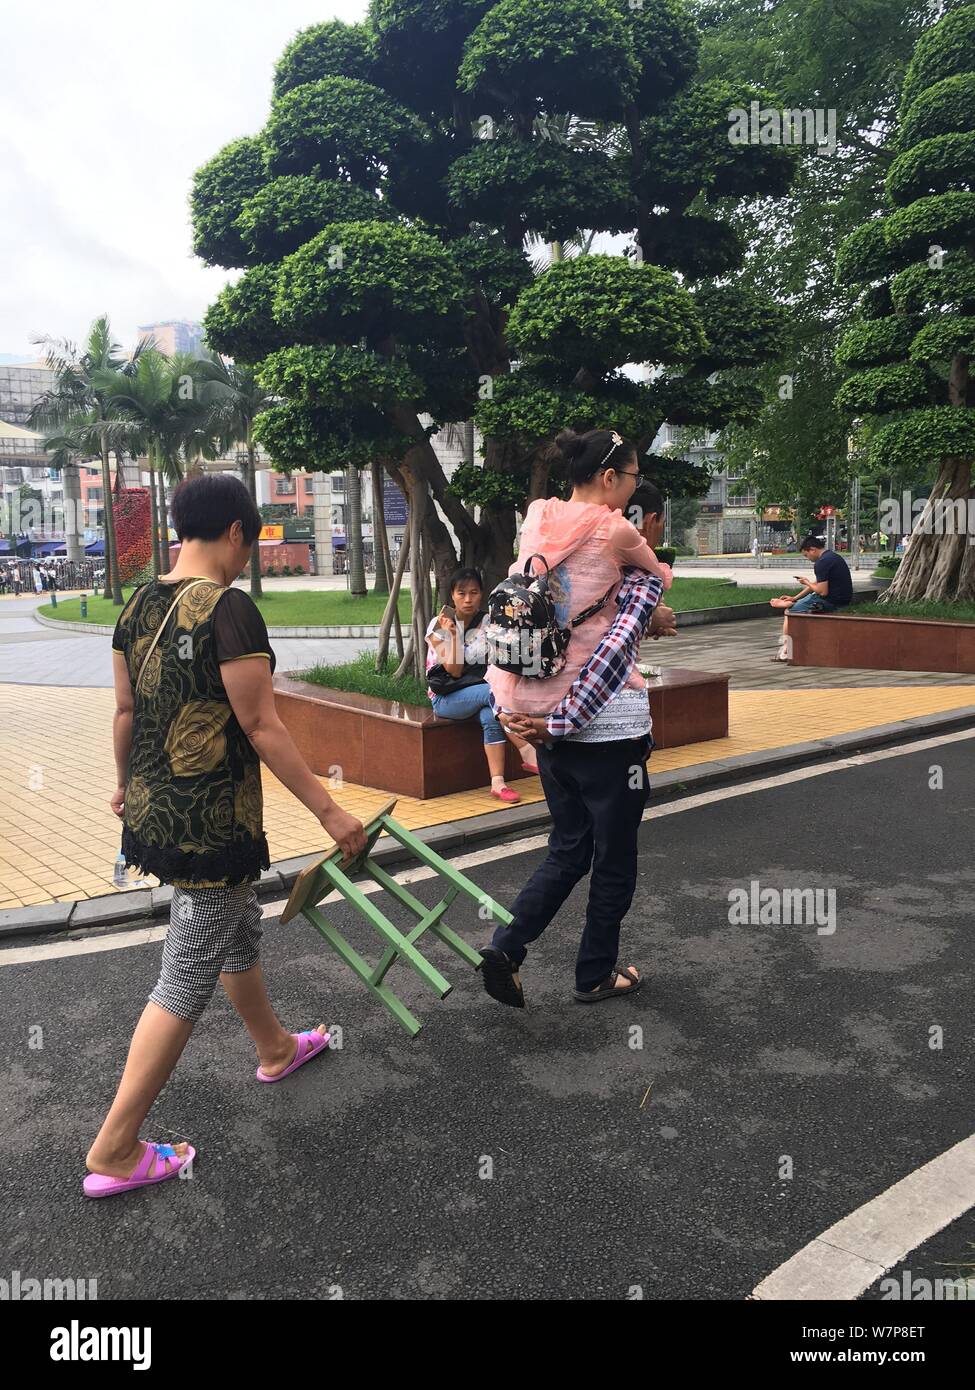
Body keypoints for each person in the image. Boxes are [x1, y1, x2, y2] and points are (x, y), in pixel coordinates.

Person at [83, 473, 366, 1199]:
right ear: (236, 532)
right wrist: (330, 814)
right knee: (185, 970)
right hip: (213, 825)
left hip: (155, 812)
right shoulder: (230, 610)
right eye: (252, 542)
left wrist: (122, 786)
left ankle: (274, 1047)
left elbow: (124, 711)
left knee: (236, 925)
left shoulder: (137, 604)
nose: (249, 558)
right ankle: (116, 1146)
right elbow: (261, 723)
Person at [479, 434, 673, 1007]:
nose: (637, 487)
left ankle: (508, 946)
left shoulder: (538, 517)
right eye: (634, 475)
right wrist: (654, 604)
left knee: (568, 846)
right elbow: (653, 579)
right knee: (614, 855)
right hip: (602, 721)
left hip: (535, 714)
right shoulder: (615, 529)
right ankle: (595, 973)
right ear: (610, 477)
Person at [425, 566, 539, 804]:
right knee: (492, 693)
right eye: (461, 593)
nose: (468, 599)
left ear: (482, 593)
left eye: (474, 592)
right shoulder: (439, 624)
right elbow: (454, 671)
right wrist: (454, 635)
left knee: (490, 715)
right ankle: (525, 747)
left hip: (483, 695)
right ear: (452, 595)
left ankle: (497, 783)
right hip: (446, 699)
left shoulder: (489, 622)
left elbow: (502, 659)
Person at [770, 533, 853, 661]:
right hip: (842, 598)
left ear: (813, 550)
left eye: (806, 555)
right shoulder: (832, 557)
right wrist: (795, 597)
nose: (807, 558)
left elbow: (822, 591)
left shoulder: (821, 563)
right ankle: (793, 603)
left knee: (789, 613)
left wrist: (806, 582)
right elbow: (818, 584)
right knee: (795, 605)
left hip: (830, 601)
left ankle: (786, 651)